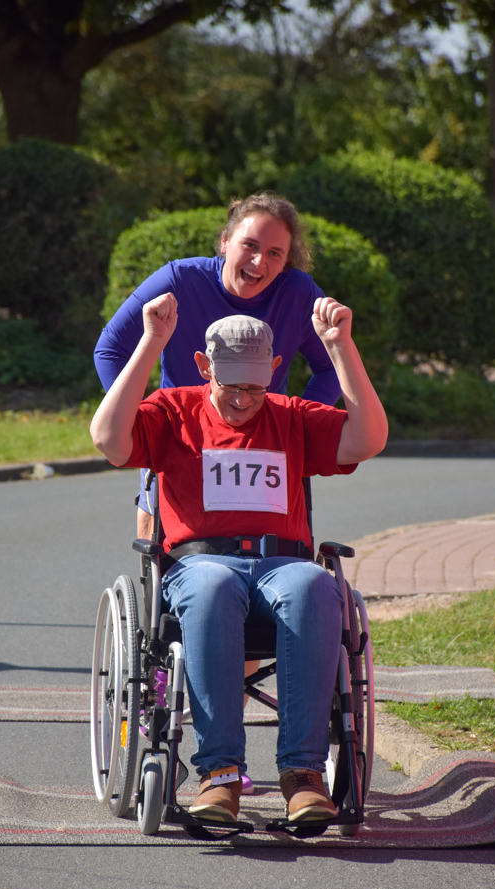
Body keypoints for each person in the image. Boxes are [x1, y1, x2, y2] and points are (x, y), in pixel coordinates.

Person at [90, 291, 388, 825]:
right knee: (209, 588)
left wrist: (341, 348)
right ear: (205, 367)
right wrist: (152, 341)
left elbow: (367, 439)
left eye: (257, 386)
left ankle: (303, 775)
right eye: (232, 387)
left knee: (317, 586)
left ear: (275, 370)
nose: (245, 400)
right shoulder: (173, 410)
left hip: (284, 564)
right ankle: (219, 773)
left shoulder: (291, 415)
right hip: (200, 564)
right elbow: (109, 439)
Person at [94, 192, 341, 539]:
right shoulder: (179, 281)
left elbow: (333, 367)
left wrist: (301, 424)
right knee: (156, 533)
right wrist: (136, 420)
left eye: (274, 253)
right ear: (225, 242)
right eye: (249, 245)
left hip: (262, 436)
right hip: (180, 436)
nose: (259, 262)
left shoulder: (297, 294)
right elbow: (110, 349)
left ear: (286, 261)